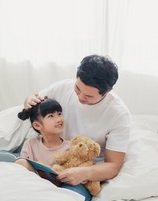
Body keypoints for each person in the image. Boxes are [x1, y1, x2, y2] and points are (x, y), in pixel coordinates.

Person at [24, 54, 131, 187]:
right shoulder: (64, 87)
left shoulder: (118, 115)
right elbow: (34, 99)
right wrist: (28, 100)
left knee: (61, 198)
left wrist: (85, 173)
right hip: (45, 160)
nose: (80, 97)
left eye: (88, 96)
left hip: (79, 173)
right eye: (78, 89)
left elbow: (113, 166)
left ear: (107, 92)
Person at [15, 98, 92, 201]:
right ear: (37, 125)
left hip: (59, 187)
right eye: (51, 116)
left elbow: (81, 173)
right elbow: (22, 172)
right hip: (35, 186)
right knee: (20, 162)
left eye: (59, 114)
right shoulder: (30, 144)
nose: (59, 119)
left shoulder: (70, 147)